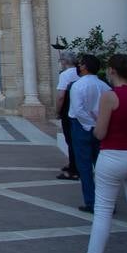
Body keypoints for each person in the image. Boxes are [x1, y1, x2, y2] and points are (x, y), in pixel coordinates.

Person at [63, 54, 127, 253]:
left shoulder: (110, 96)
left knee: (103, 210)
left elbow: (100, 132)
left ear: (112, 71)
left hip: (114, 155)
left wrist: (95, 131)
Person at [69, 54, 111, 213]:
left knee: (85, 167)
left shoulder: (78, 85)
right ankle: (107, 202)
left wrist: (89, 125)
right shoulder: (104, 86)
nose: (78, 67)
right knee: (101, 166)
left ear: (85, 66)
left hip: (82, 127)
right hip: (100, 127)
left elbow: (78, 109)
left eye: (80, 64)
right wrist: (97, 124)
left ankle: (92, 202)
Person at [55, 51, 80, 180]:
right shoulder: (81, 73)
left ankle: (74, 170)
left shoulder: (65, 75)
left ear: (64, 61)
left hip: (68, 111)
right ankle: (75, 164)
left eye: (61, 61)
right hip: (80, 111)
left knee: (70, 140)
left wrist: (58, 111)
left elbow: (61, 96)